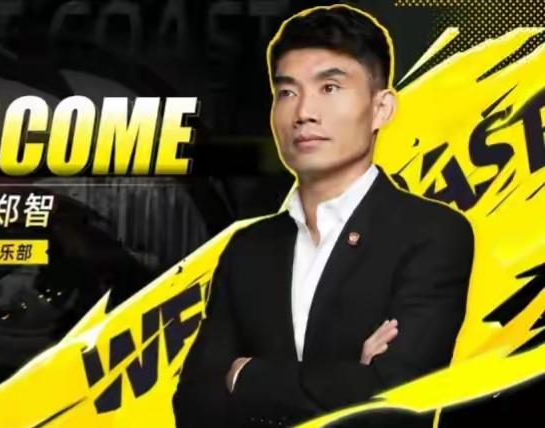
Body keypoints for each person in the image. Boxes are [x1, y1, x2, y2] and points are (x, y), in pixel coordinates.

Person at [172, 4, 474, 428]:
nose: (303, 113)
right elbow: (194, 406)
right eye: (287, 92)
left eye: (329, 87)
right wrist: (351, 375)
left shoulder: (432, 234)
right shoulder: (248, 248)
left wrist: (244, 376)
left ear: (381, 108)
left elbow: (394, 402)